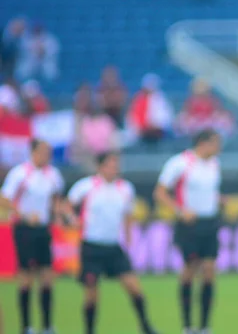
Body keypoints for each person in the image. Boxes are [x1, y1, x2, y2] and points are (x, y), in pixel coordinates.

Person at [63, 152, 159, 334]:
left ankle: (145, 325)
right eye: (110, 165)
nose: (114, 169)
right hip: (92, 245)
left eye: (116, 165)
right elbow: (67, 205)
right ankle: (89, 330)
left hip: (114, 246)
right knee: (91, 294)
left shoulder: (125, 188)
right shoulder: (86, 186)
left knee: (134, 287)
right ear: (100, 167)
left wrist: (129, 239)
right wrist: (72, 218)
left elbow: (128, 215)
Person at [153, 129, 222, 334]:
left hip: (210, 223)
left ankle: (204, 326)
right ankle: (187, 325)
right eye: (215, 143)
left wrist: (218, 201)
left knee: (209, 271)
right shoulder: (180, 163)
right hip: (189, 225)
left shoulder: (214, 164)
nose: (218, 148)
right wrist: (179, 211)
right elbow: (160, 192)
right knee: (190, 271)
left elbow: (209, 192)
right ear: (203, 143)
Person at [0, 139, 64, 334]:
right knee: (26, 277)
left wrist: (58, 215)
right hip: (25, 228)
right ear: (34, 152)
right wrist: (25, 214)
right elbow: (4, 199)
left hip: (43, 229)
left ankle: (46, 326)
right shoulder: (20, 174)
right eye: (44, 151)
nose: (47, 155)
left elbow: (56, 198)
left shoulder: (53, 174)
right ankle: (26, 326)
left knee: (46, 277)